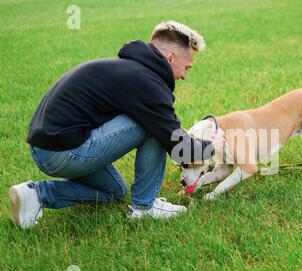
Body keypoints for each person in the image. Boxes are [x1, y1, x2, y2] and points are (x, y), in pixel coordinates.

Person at [9, 20, 221, 229]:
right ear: (171, 57)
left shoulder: (127, 69)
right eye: (187, 68)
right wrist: (214, 144)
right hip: (63, 153)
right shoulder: (148, 84)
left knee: (114, 192)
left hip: (45, 149)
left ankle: (37, 194)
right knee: (152, 126)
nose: (184, 76)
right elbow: (180, 149)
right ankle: (144, 208)